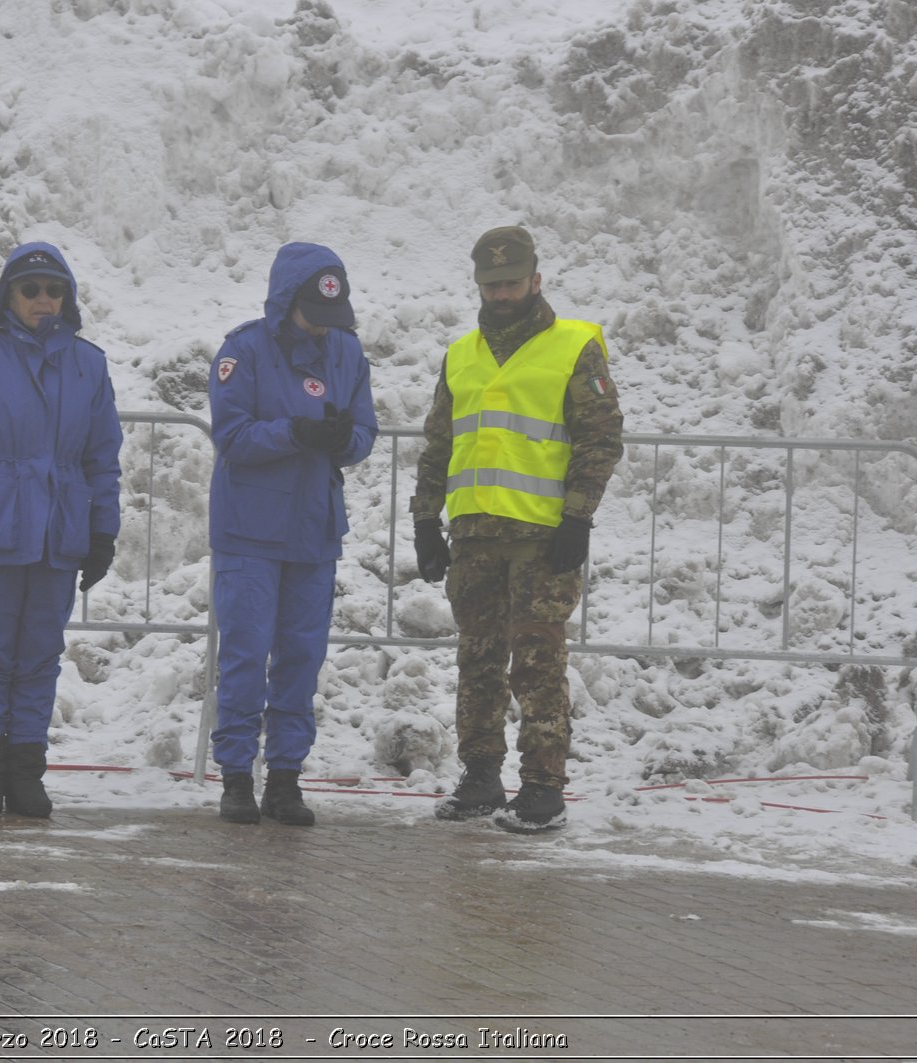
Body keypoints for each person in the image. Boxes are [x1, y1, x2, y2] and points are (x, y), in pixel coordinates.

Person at [411, 225, 623, 832]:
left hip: (541, 536)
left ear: (536, 280)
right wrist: (427, 520)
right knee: (478, 660)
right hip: (473, 534)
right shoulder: (460, 354)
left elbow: (600, 439)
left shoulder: (574, 346)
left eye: (510, 283)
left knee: (536, 662)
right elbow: (438, 445)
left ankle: (542, 786)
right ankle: (480, 777)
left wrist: (578, 516)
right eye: (489, 285)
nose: (500, 294)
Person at [0, 242, 123, 818]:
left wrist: (102, 531)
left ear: (67, 297)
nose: (43, 300)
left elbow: (102, 458)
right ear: (8, 295)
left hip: (60, 531)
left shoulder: (89, 364)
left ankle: (27, 772)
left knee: (40, 654)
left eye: (53, 290)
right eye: (30, 289)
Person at [208, 243, 378, 826]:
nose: (324, 329)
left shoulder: (348, 353)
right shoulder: (244, 351)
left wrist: (339, 441)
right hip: (250, 531)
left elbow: (364, 431)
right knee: (245, 655)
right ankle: (235, 776)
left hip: (313, 528)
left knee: (302, 659)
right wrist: (294, 434)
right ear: (287, 302)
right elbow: (232, 436)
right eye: (313, 314)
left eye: (333, 317)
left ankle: (284, 778)